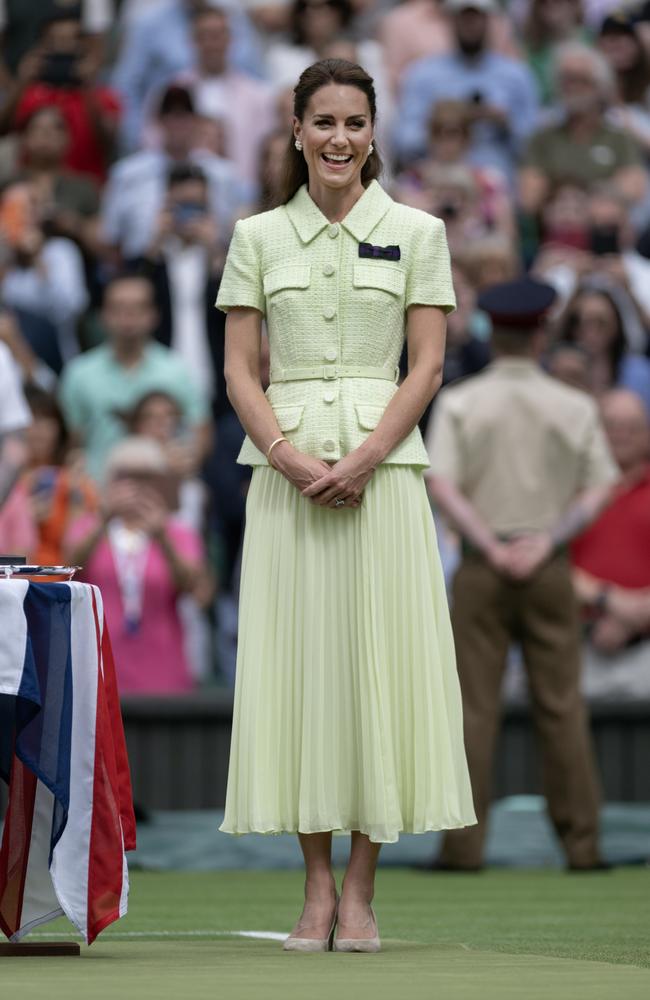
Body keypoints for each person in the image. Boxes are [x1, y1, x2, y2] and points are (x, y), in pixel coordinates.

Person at [215, 57, 475, 952]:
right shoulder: (256, 236)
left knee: (380, 674)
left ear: (374, 133)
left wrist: (366, 458)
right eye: (322, 121)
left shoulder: (418, 229)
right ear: (295, 131)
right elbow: (239, 369)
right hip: (286, 480)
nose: (338, 139)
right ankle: (316, 887)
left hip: (385, 480)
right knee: (300, 676)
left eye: (354, 123)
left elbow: (428, 364)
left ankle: (362, 891)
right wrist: (288, 458)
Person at [425, 276, 618, 871]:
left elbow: (440, 483)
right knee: (562, 706)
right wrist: (545, 542)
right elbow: (602, 484)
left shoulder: (461, 401)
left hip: (484, 566)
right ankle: (582, 847)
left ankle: (463, 848)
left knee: (472, 709)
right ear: (540, 332)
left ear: (494, 332)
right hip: (548, 565)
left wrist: (487, 543)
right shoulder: (574, 404)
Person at [64, 436, 205, 694]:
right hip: (98, 667)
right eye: (125, 476)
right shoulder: (88, 527)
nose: (136, 486)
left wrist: (162, 538)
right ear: (109, 480)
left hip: (163, 668)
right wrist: (104, 519)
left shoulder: (178, 533)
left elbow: (194, 588)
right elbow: (69, 569)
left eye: (145, 477)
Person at [58, 272, 211, 481]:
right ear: (103, 315)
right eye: (118, 308)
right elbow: (72, 443)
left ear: (154, 315)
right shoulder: (79, 373)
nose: (127, 317)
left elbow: (200, 429)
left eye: (137, 308)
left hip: (161, 498)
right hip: (98, 497)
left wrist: (188, 461)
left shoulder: (176, 370)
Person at [393, 0, 539, 179]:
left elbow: (535, 146)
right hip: (438, 179)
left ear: (488, 20)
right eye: (464, 17)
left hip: (497, 179)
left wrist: (505, 123)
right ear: (451, 21)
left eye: (476, 17)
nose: (470, 25)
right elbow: (404, 141)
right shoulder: (423, 74)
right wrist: (446, 123)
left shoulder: (515, 75)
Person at [100, 83, 241, 261]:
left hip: (209, 271)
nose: (177, 122)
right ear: (159, 118)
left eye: (184, 114)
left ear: (196, 120)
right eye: (170, 114)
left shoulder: (222, 174)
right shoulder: (127, 173)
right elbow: (110, 238)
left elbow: (236, 238)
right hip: (144, 270)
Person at [571, 389, 650, 699]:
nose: (622, 435)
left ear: (647, 435)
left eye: (632, 426)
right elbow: (550, 563)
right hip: (580, 644)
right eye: (612, 425)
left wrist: (638, 615)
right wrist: (609, 601)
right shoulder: (573, 492)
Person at [519, 42, 647, 215]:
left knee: (608, 212)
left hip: (602, 227)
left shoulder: (618, 136)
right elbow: (529, 197)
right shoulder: (543, 137)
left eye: (581, 80)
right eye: (565, 80)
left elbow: (634, 188)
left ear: (600, 87)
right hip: (554, 228)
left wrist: (582, 200)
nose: (571, 87)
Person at [0, 10, 121, 183]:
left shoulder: (103, 96)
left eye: (72, 41)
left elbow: (110, 142)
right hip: (29, 193)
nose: (63, 48)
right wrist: (22, 82)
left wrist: (87, 85)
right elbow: (2, 130)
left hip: (85, 196)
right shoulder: (30, 94)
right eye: (55, 42)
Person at [22, 383, 97, 566]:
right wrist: (22, 517)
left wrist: (74, 497)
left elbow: (79, 551)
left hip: (59, 583)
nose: (39, 429)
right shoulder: (7, 480)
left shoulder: (75, 480)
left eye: (47, 420)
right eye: (31, 418)